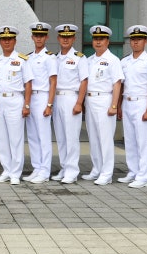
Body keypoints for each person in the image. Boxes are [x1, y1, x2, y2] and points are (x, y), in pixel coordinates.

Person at [0, 26, 33, 186]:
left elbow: (28, 84)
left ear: (15, 41)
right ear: (0, 42)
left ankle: (15, 172)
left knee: (16, 138)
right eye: (4, 39)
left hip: (15, 100)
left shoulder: (22, 60)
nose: (7, 42)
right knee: (2, 138)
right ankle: (6, 170)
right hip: (0, 101)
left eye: (10, 39)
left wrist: (26, 104)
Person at [117, 25, 147, 188]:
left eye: (139, 39)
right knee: (130, 140)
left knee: (142, 141)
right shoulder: (125, 61)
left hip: (141, 102)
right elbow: (121, 85)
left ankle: (143, 176)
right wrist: (119, 105)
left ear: (145, 41)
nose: (135, 42)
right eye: (133, 39)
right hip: (127, 102)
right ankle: (133, 171)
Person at [82, 25, 123, 186]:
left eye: (101, 39)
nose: (98, 42)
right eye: (95, 39)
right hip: (90, 100)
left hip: (105, 100)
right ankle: (96, 168)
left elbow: (117, 83)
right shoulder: (89, 60)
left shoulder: (113, 60)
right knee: (93, 137)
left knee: (105, 139)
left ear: (107, 41)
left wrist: (114, 105)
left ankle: (106, 173)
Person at [50, 24, 88, 184]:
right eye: (62, 36)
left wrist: (79, 102)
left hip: (71, 98)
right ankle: (65, 167)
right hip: (57, 99)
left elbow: (84, 81)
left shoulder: (80, 58)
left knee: (71, 137)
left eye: (69, 36)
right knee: (61, 137)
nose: (65, 39)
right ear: (58, 38)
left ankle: (72, 171)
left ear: (73, 38)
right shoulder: (54, 58)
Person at [23, 22, 57, 184]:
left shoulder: (49, 57)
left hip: (43, 97)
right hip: (31, 98)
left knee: (44, 136)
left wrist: (49, 104)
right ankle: (37, 167)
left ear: (46, 37)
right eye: (36, 35)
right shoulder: (28, 57)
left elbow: (53, 82)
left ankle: (45, 170)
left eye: (41, 35)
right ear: (32, 37)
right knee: (33, 135)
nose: (38, 38)